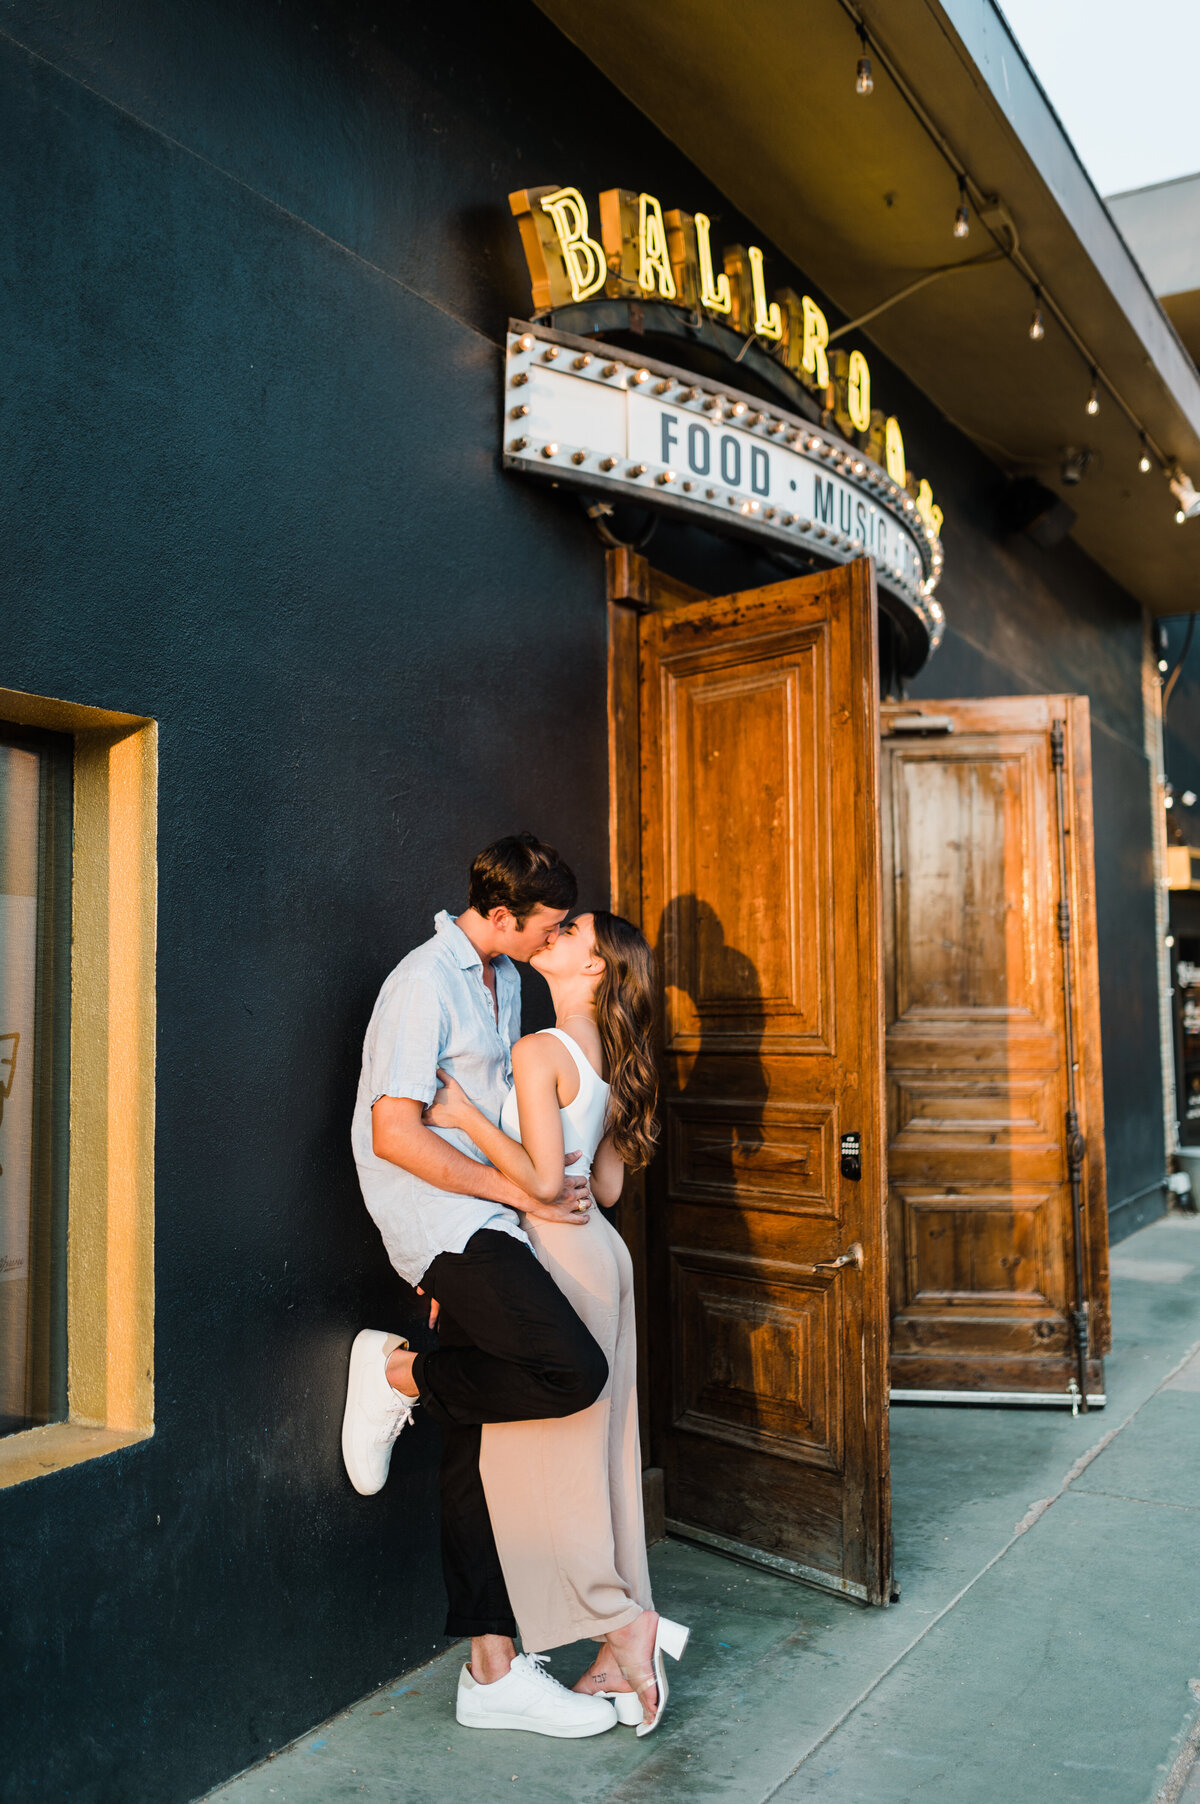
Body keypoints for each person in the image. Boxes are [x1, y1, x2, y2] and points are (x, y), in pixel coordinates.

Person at [342, 835, 621, 1739]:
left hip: (490, 1223)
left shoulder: (502, 980)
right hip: (449, 1222)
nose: (550, 942)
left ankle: (492, 1669)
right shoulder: (423, 982)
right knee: (570, 1373)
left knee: (475, 1434)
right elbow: (394, 1133)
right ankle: (395, 1377)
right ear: (502, 917)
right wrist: (518, 1191)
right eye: (543, 928)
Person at [423, 910, 688, 1735]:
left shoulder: (541, 1049)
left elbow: (545, 1181)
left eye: (569, 929)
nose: (553, 931)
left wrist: (465, 1121)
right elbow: (604, 1188)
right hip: (602, 1256)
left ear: (596, 965)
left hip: (559, 1256)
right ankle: (617, 1645)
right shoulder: (606, 1055)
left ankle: (622, 1625)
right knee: (597, 1456)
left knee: (550, 1463)